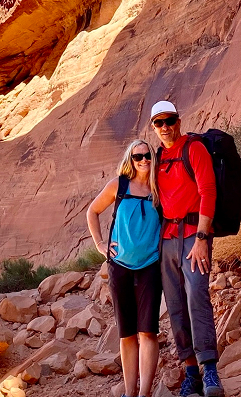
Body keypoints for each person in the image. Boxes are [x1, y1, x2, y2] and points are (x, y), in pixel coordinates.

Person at [150, 100, 224, 397]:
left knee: (197, 296)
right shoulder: (156, 157)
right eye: (159, 123)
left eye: (169, 121)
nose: (165, 127)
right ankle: (191, 371)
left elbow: (208, 191)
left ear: (178, 121)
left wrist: (204, 239)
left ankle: (210, 371)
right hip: (167, 239)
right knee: (176, 304)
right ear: (154, 127)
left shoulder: (193, 148)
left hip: (195, 235)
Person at [87, 139, 163, 397]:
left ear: (153, 158)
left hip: (150, 266)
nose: (143, 160)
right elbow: (92, 211)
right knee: (128, 333)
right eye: (137, 156)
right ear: (130, 160)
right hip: (119, 267)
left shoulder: (158, 188)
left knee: (148, 331)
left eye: (147, 156)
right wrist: (100, 244)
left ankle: (144, 394)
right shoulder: (118, 186)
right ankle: (130, 393)